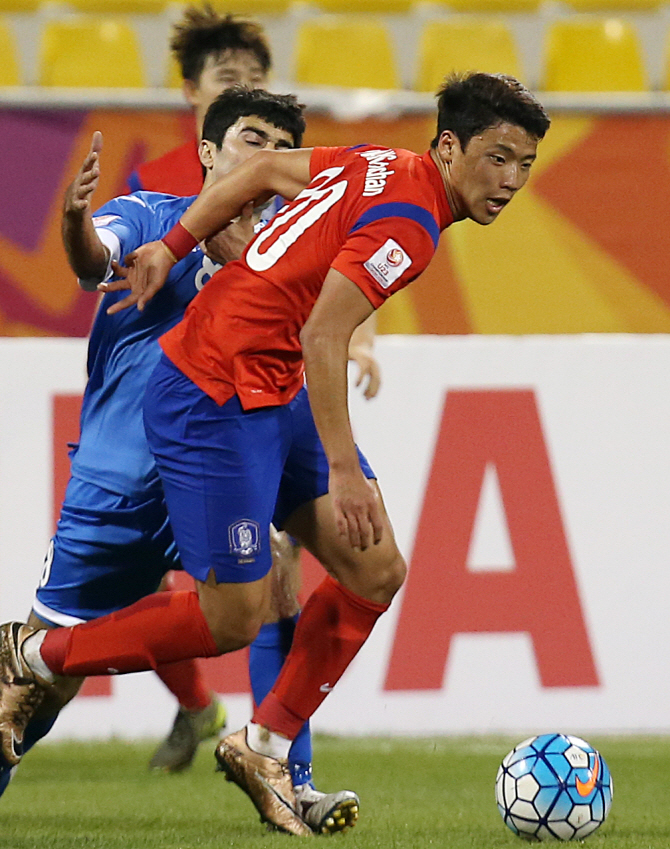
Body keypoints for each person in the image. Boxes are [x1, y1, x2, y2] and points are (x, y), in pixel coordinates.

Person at [0, 72, 550, 836]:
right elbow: (326, 334)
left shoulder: (379, 163)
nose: (511, 181)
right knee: (235, 617)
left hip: (273, 388)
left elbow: (259, 172)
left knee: (375, 568)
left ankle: (264, 744)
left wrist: (176, 243)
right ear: (451, 147)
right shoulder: (411, 222)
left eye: (524, 163)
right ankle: (35, 656)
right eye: (498, 158)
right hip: (213, 392)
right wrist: (346, 469)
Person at [0, 87, 360, 834]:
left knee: (281, 588)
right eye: (249, 139)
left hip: (226, 467)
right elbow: (97, 258)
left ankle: (291, 773)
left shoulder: (293, 255)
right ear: (207, 152)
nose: (264, 158)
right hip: (123, 487)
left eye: (280, 147)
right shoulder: (154, 217)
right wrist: (74, 224)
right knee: (40, 685)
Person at [129, 2, 379, 776]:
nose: (247, 93)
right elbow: (128, 301)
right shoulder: (159, 190)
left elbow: (341, 273)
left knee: (282, 578)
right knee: (132, 581)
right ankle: (191, 702)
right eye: (227, 83)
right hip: (180, 403)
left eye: (256, 80)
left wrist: (359, 339)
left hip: (266, 401)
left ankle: (284, 768)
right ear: (194, 101)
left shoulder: (292, 181)